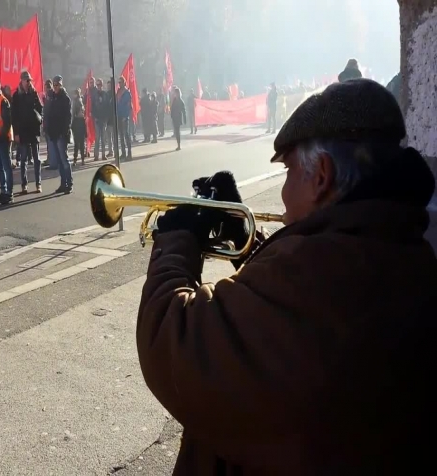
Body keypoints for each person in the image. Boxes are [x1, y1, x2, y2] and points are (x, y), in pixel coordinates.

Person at [136, 79, 437, 474]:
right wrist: (247, 239)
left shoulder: (322, 274)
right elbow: (278, 322)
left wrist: (177, 242)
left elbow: (171, 339)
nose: (282, 193)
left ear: (322, 175)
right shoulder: (404, 252)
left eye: (290, 171)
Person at [12, 70, 43, 194]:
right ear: (22, 80)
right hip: (23, 131)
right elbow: (14, 116)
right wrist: (16, 133)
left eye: (29, 80)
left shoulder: (34, 93)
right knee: (23, 159)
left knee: (37, 159)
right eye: (26, 80)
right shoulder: (16, 95)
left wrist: (40, 119)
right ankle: (24, 184)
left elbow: (41, 108)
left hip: (34, 130)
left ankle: (38, 183)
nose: (28, 82)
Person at [45, 75, 73, 194]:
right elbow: (47, 113)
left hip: (61, 133)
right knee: (59, 161)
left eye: (57, 85)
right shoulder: (51, 97)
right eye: (54, 85)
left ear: (61, 85)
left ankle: (69, 183)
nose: (55, 87)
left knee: (64, 159)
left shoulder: (65, 98)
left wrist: (64, 131)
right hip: (53, 133)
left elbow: (68, 117)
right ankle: (63, 183)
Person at [169, 87, 186, 151]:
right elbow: (172, 109)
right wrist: (171, 115)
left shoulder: (180, 101)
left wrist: (184, 119)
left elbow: (184, 110)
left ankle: (179, 145)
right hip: (174, 118)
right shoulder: (174, 100)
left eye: (176, 93)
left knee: (177, 131)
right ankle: (178, 144)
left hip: (178, 118)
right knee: (176, 132)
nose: (175, 94)